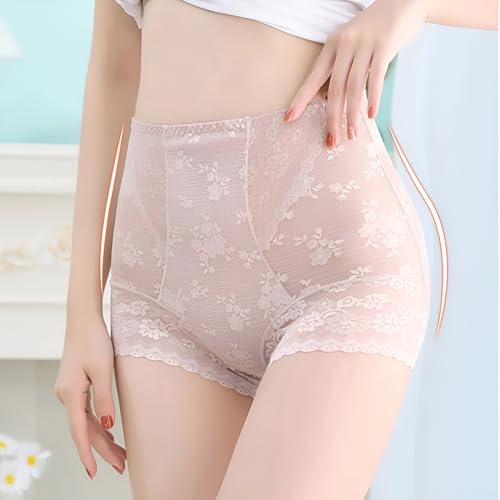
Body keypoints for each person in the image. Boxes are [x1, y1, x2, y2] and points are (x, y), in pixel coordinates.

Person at [53, 0, 496, 498]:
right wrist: (81, 312)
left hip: (333, 274)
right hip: (160, 290)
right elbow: (115, 71)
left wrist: (409, 6)